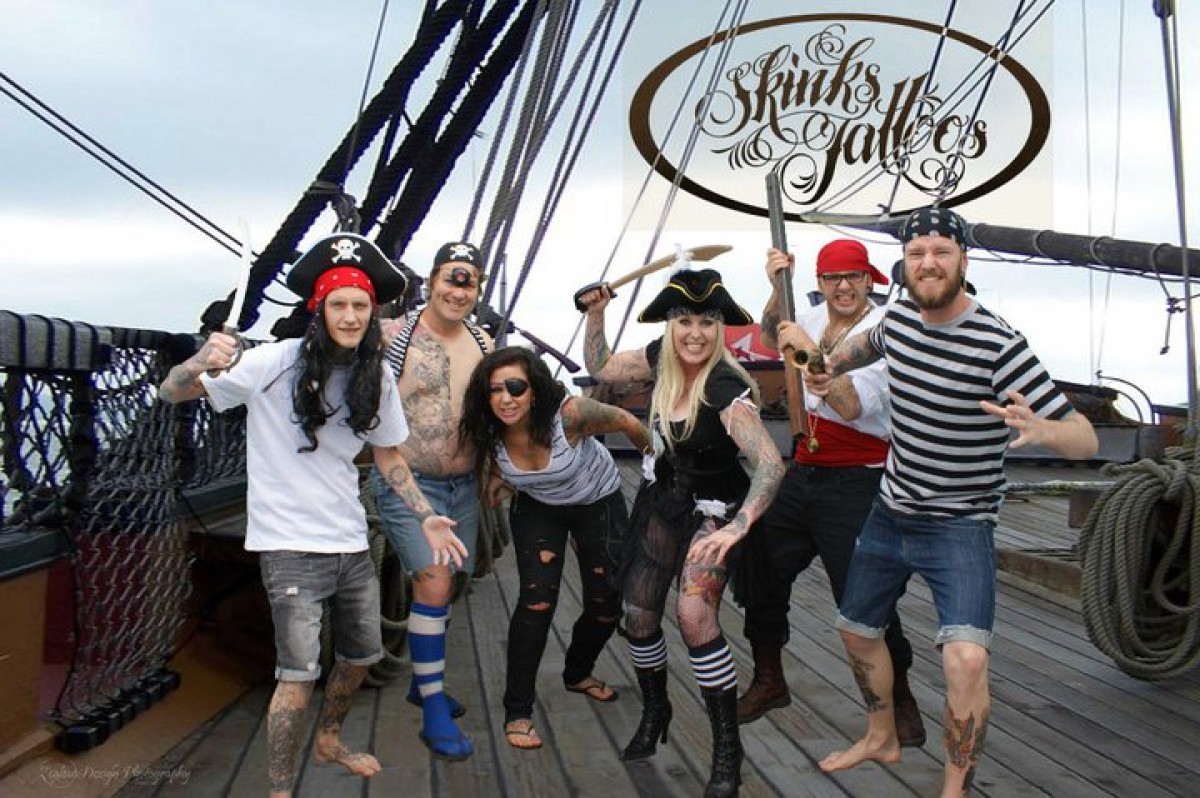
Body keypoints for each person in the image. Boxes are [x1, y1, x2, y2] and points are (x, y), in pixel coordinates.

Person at [781, 208, 1098, 797]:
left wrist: (1044, 429)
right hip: (891, 511)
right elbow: (851, 352)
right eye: (917, 253)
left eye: (941, 252)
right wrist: (821, 367)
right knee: (856, 631)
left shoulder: (1000, 345)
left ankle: (954, 789)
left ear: (963, 262)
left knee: (967, 661)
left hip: (961, 525)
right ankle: (882, 734)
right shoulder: (898, 320)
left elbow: (1087, 439)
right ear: (904, 266)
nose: (928, 263)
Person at [158, 232, 467, 798]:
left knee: (361, 656)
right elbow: (172, 391)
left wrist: (425, 515)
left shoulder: (375, 376)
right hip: (289, 545)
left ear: (372, 313)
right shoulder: (273, 362)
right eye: (338, 304)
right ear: (319, 310)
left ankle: (329, 739)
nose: (350, 316)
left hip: (349, 539)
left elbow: (389, 455)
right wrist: (200, 360)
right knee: (297, 678)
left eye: (360, 306)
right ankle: (280, 789)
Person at [580, 268, 785, 798]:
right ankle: (656, 709)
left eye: (707, 322)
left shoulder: (726, 388)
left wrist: (738, 526)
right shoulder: (658, 358)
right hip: (663, 499)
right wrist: (596, 313)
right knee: (638, 613)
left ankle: (727, 749)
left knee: (694, 615)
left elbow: (769, 464)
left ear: (720, 328)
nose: (695, 333)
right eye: (684, 321)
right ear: (670, 325)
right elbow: (601, 366)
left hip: (716, 510)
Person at [733, 239, 924, 748]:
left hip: (858, 480)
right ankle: (769, 679)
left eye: (853, 277)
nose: (843, 286)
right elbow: (772, 333)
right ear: (819, 282)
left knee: (863, 596)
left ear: (869, 281)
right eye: (833, 278)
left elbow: (850, 404)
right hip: (805, 472)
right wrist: (777, 288)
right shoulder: (812, 318)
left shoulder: (885, 330)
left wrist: (807, 352)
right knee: (758, 568)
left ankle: (900, 699)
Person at [458, 345, 653, 750]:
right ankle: (518, 710)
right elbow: (486, 463)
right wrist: (497, 477)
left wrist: (656, 466)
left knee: (606, 602)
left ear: (535, 389)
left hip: (597, 501)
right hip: (538, 507)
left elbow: (626, 421)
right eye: (495, 390)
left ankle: (577, 672)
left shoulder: (571, 415)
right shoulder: (487, 427)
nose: (505, 398)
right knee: (536, 603)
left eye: (516, 387)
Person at [370, 240, 492, 761]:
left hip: (464, 485)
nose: (458, 291)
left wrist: (493, 474)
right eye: (450, 278)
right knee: (435, 583)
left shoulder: (483, 342)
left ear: (478, 289)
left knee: (451, 581)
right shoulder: (391, 337)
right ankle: (434, 707)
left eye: (469, 282)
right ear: (431, 282)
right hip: (408, 480)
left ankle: (424, 682)